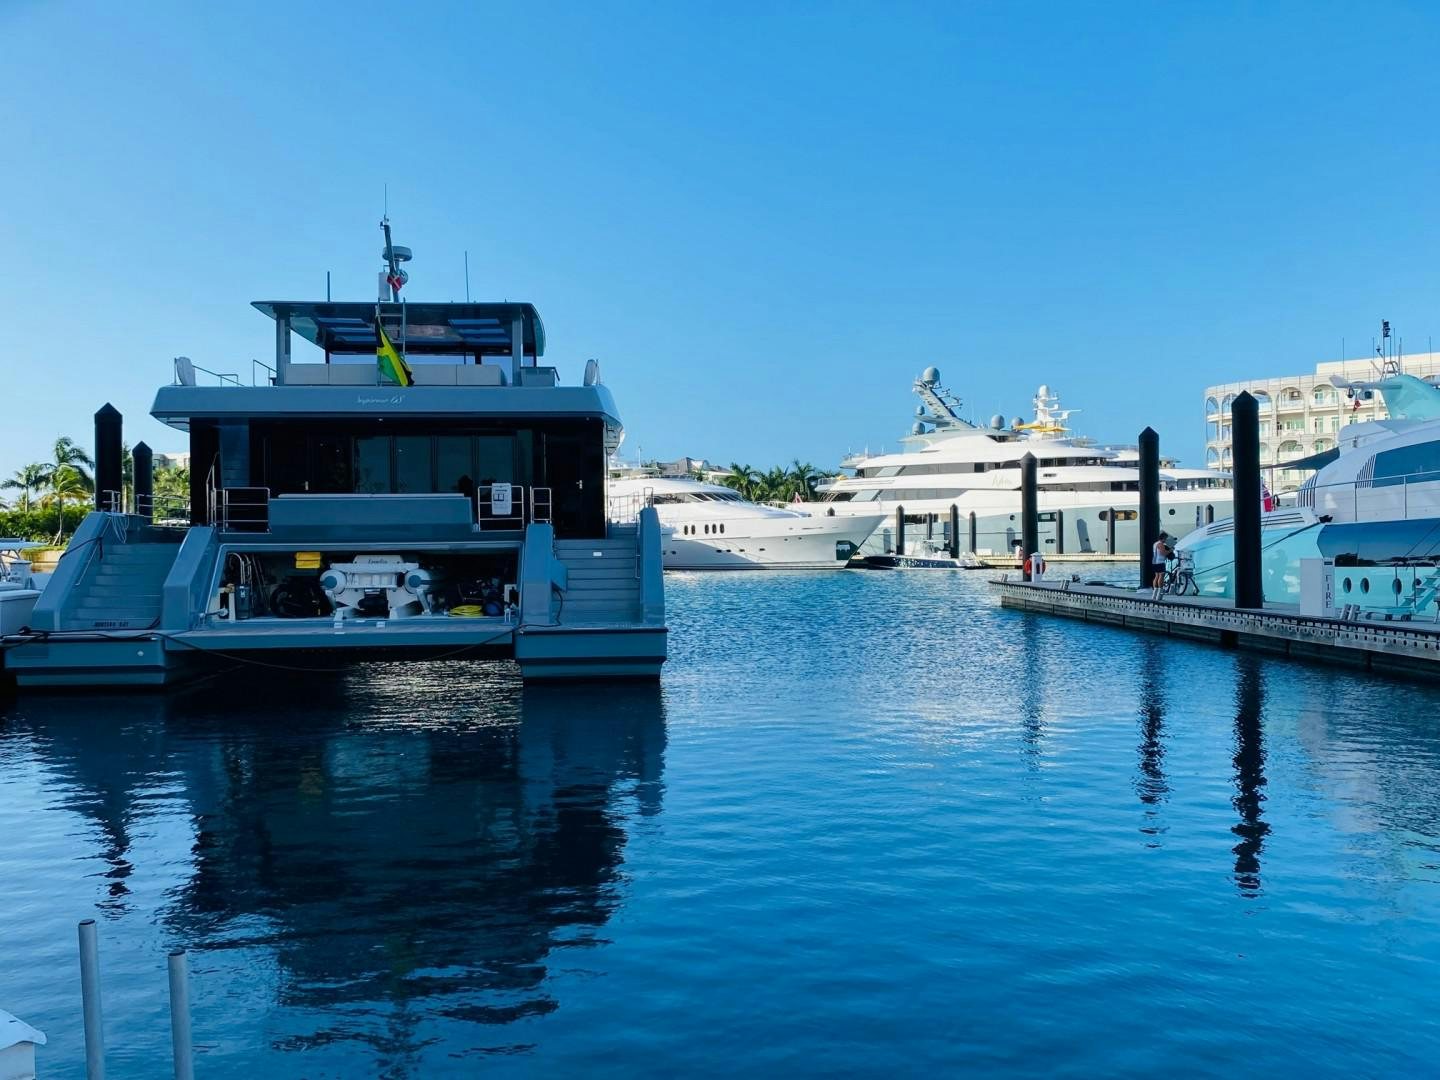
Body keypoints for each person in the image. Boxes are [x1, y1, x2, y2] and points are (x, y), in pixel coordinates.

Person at [1151, 531, 1173, 600]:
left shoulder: (1155, 544)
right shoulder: (1161, 544)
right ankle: (1159, 593)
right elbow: (1163, 553)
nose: (1166, 540)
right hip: (1160, 562)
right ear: (1163, 538)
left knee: (1156, 576)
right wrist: (1170, 551)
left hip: (1155, 562)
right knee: (1161, 576)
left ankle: (1154, 594)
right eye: (1166, 538)